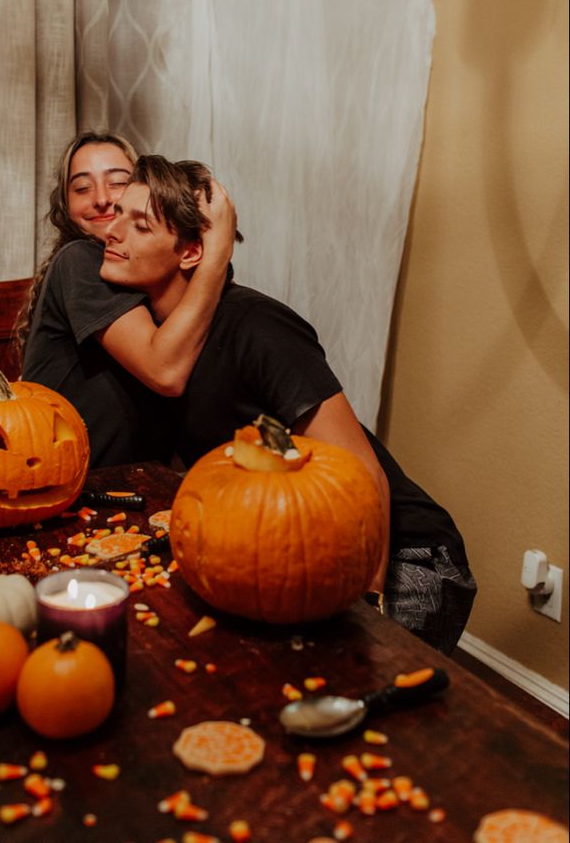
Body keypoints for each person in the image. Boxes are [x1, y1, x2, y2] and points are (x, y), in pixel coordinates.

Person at [99, 154, 477, 654]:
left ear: (192, 252)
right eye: (118, 213)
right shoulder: (158, 342)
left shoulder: (258, 327)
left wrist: (365, 603)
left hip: (409, 557)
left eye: (138, 224)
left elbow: (364, 473)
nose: (112, 230)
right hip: (298, 551)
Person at [20, 133, 238, 467]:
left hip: (136, 483)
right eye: (82, 188)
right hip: (69, 485)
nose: (102, 199)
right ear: (66, 205)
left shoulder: (152, 277)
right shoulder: (81, 261)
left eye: (118, 183)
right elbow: (165, 371)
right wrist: (218, 250)